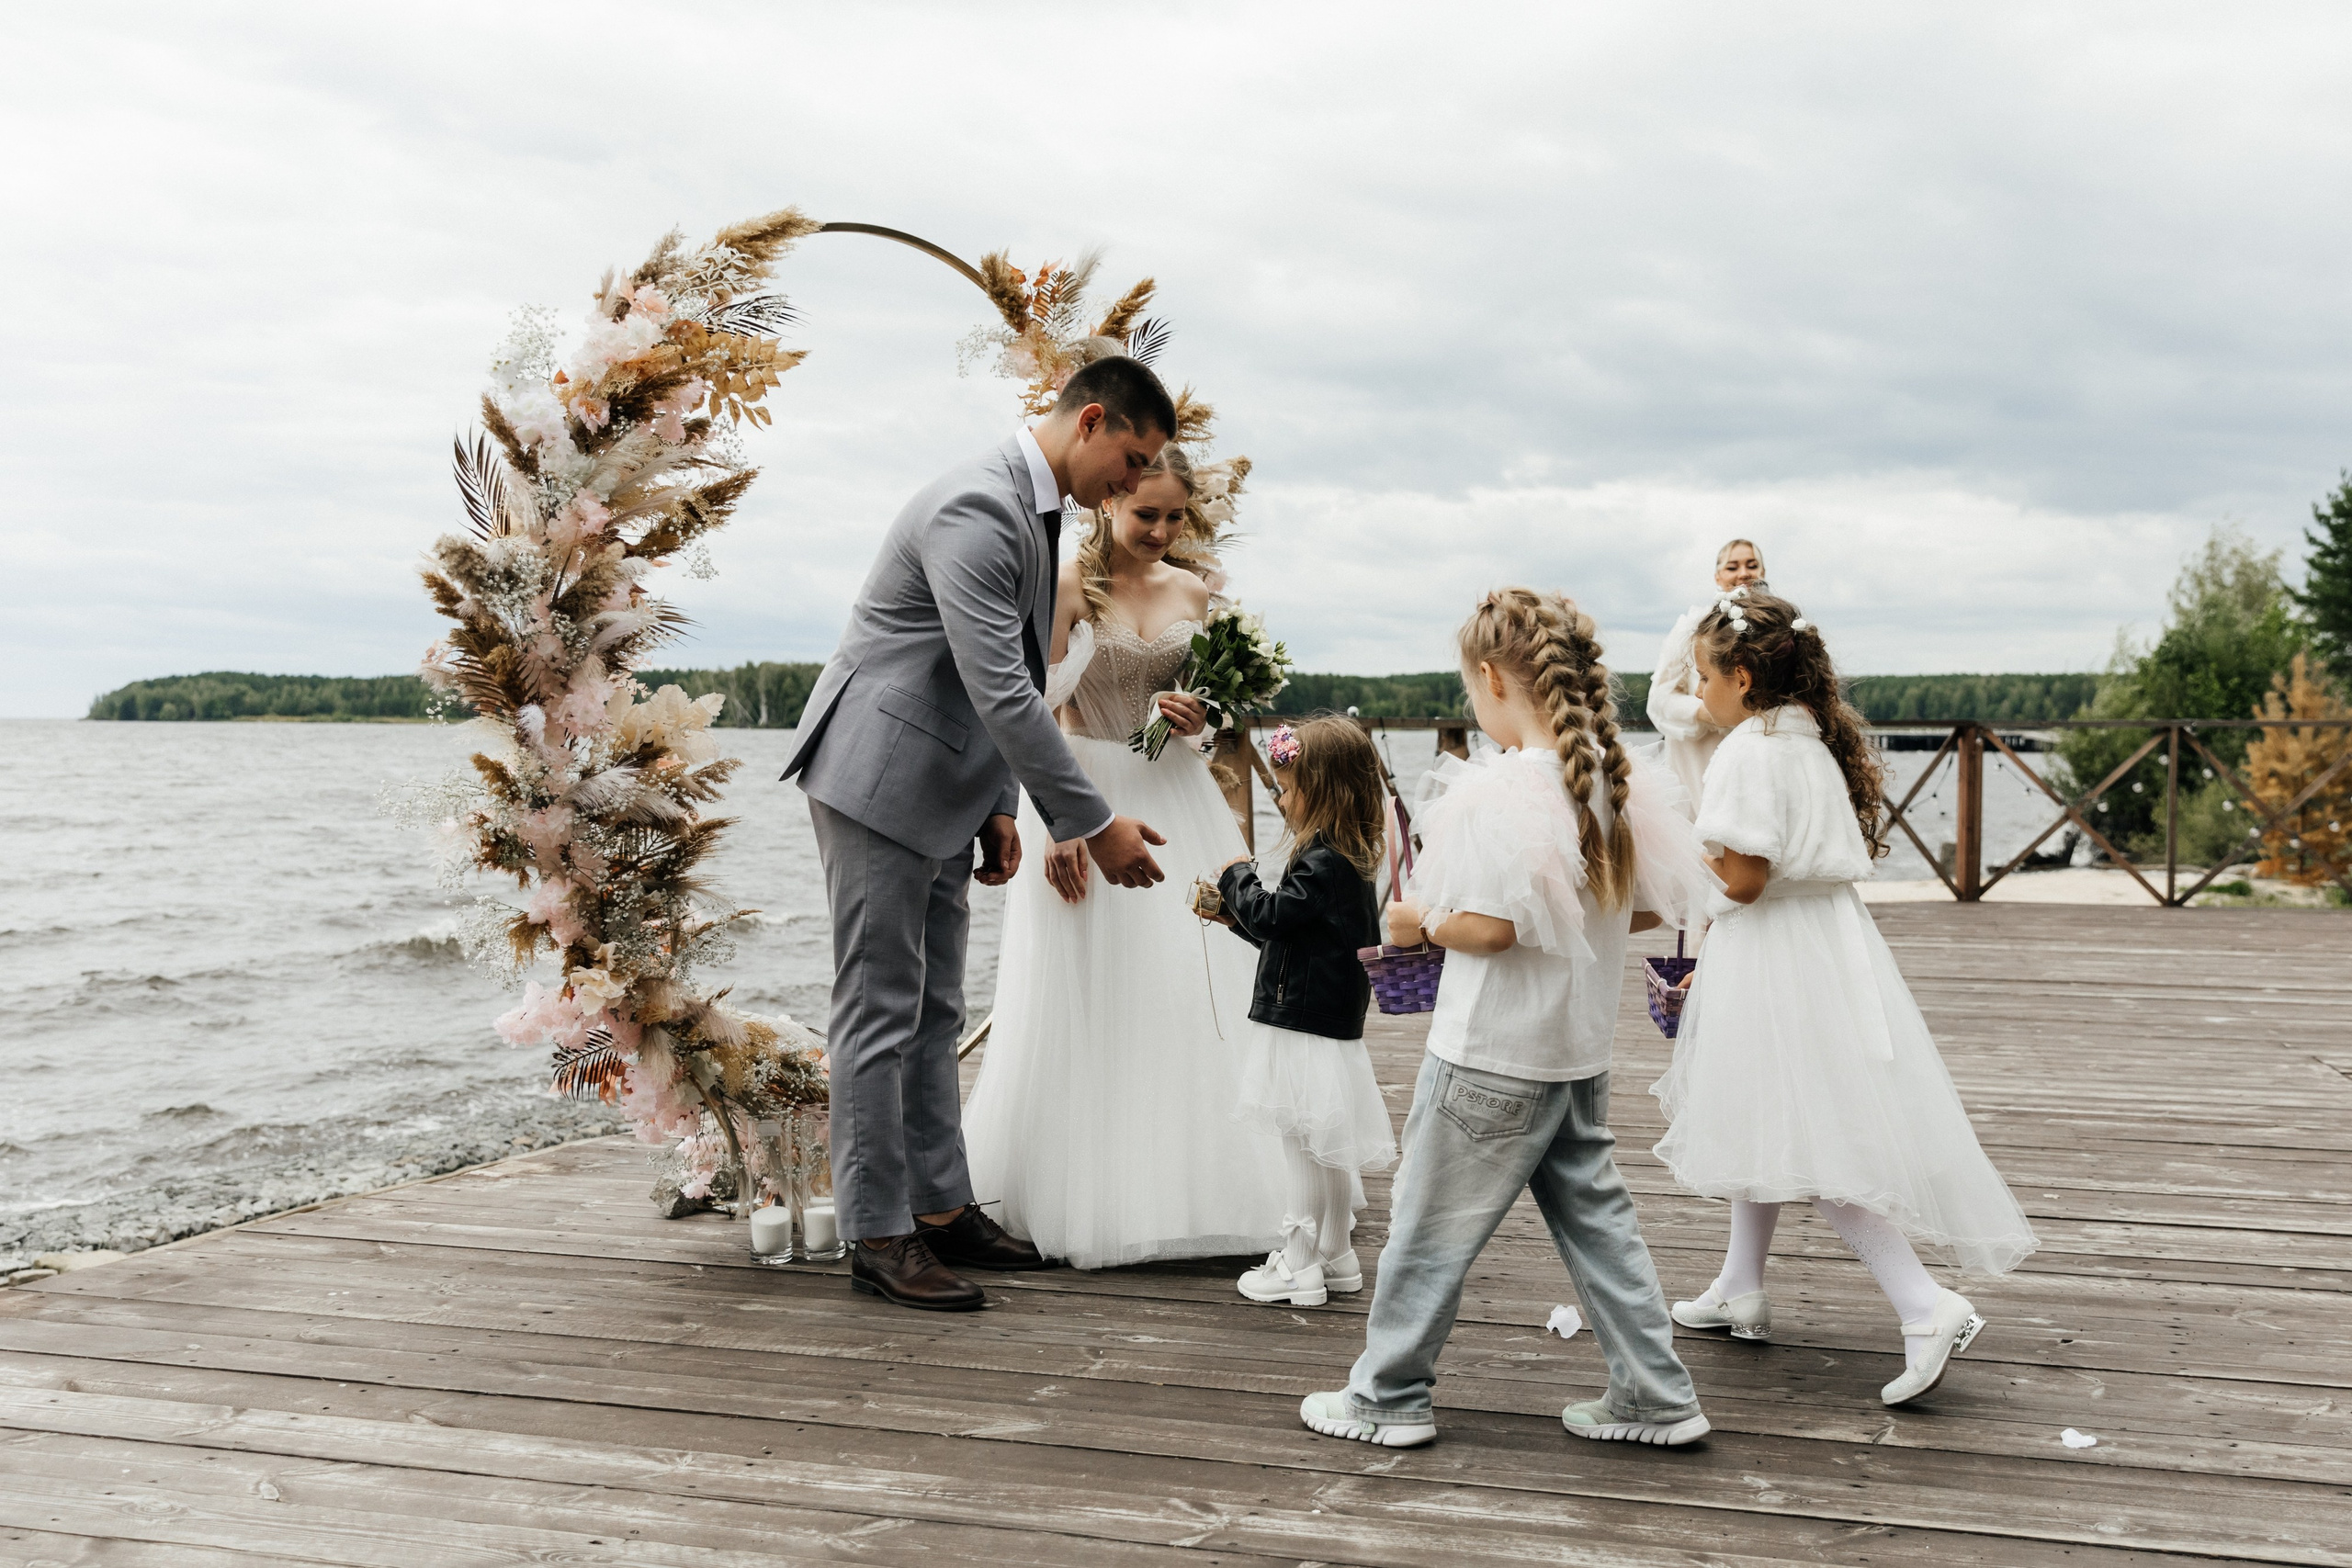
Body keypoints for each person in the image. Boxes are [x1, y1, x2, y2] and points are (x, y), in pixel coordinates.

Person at [781, 355, 1180, 1312]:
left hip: (946, 785)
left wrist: (1000, 805)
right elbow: (1000, 684)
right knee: (879, 1009)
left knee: (935, 1010)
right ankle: (877, 1232)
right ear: (1091, 422)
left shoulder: (1035, 510)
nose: (1133, 483)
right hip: (877, 781)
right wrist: (1090, 821)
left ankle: (942, 1207)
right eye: (1132, 459)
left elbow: (1008, 678)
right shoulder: (977, 506)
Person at [1299, 588, 1713, 1451]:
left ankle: (1388, 1395)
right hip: (1574, 1055)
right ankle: (1656, 1394)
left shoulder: (1503, 793)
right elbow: (1635, 909)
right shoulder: (1606, 782)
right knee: (1600, 1228)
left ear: (1490, 679)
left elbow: (1488, 928)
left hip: (1487, 1058)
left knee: (1425, 1229)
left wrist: (1419, 922)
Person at [1651, 591, 2039, 1405]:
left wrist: (1678, 865)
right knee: (1768, 1112)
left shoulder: (1748, 752)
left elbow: (1747, 879)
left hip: (1776, 953)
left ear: (1744, 677)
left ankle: (1923, 1302)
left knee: (1813, 1129)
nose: (1699, 696)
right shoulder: (1807, 742)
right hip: (1826, 942)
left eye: (1705, 680)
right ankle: (1739, 1283)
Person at [962, 442, 1290, 1269]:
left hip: (1178, 794)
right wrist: (1060, 821)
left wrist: (1199, 719)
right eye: (1147, 512)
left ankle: (1203, 1190)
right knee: (1087, 988)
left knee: (1191, 982)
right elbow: (1033, 707)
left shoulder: (1197, 591)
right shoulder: (1068, 584)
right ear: (1109, 501)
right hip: (1083, 794)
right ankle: (1084, 1191)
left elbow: (1222, 714)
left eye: (1176, 516)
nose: (1161, 529)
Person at [1210, 716, 1397, 1308]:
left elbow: (1270, 916)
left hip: (1303, 1019)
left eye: (1287, 789)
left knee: (1303, 1141)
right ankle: (1336, 1254)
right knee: (1327, 1144)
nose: (1280, 799)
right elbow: (1288, 937)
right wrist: (1232, 916)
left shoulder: (1321, 859)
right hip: (1327, 1018)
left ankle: (1297, 1262)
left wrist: (1235, 874)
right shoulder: (1349, 859)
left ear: (1322, 790)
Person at [1647, 537, 1768, 812]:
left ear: (1763, 573)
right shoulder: (1692, 627)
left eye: (1752, 565)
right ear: (1717, 576)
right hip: (1700, 762)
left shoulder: (1772, 629)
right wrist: (1706, 712)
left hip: (1756, 763)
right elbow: (1659, 700)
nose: (1743, 573)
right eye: (1732, 567)